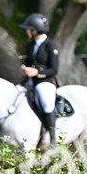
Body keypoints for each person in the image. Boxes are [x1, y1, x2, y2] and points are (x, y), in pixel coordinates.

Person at [19, 13, 59, 149]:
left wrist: (37, 72)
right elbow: (28, 62)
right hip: (29, 81)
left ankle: (53, 138)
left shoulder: (50, 45)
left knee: (47, 103)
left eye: (28, 29)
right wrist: (25, 69)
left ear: (35, 30)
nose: (26, 31)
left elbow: (53, 70)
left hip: (45, 82)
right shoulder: (30, 45)